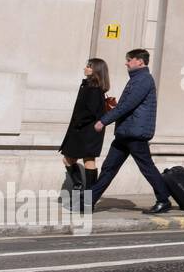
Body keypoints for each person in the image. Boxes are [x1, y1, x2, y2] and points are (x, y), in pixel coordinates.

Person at [89, 49, 173, 214]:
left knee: (146, 167)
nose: (126, 63)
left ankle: (163, 200)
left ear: (140, 62)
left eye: (129, 60)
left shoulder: (143, 80)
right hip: (125, 132)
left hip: (135, 133)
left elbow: (127, 105)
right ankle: (89, 201)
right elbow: (125, 106)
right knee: (109, 167)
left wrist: (103, 121)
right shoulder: (136, 79)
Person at [58, 58, 110, 211]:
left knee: (79, 160)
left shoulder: (93, 89)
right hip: (85, 131)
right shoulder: (91, 86)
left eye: (89, 66)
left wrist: (78, 123)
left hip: (85, 132)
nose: (85, 68)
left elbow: (91, 112)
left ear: (96, 70)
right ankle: (87, 196)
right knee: (84, 160)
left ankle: (84, 193)